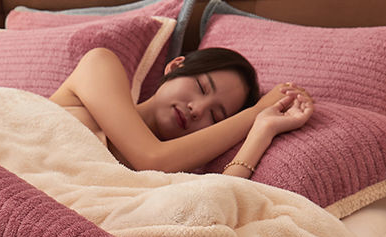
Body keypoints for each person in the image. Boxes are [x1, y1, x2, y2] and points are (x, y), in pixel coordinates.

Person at [49, 46, 313, 177]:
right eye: (201, 87)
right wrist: (256, 111)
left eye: (216, 116)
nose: (197, 109)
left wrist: (262, 128)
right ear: (175, 66)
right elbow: (153, 158)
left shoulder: (171, 177)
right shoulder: (100, 64)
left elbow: (212, 206)